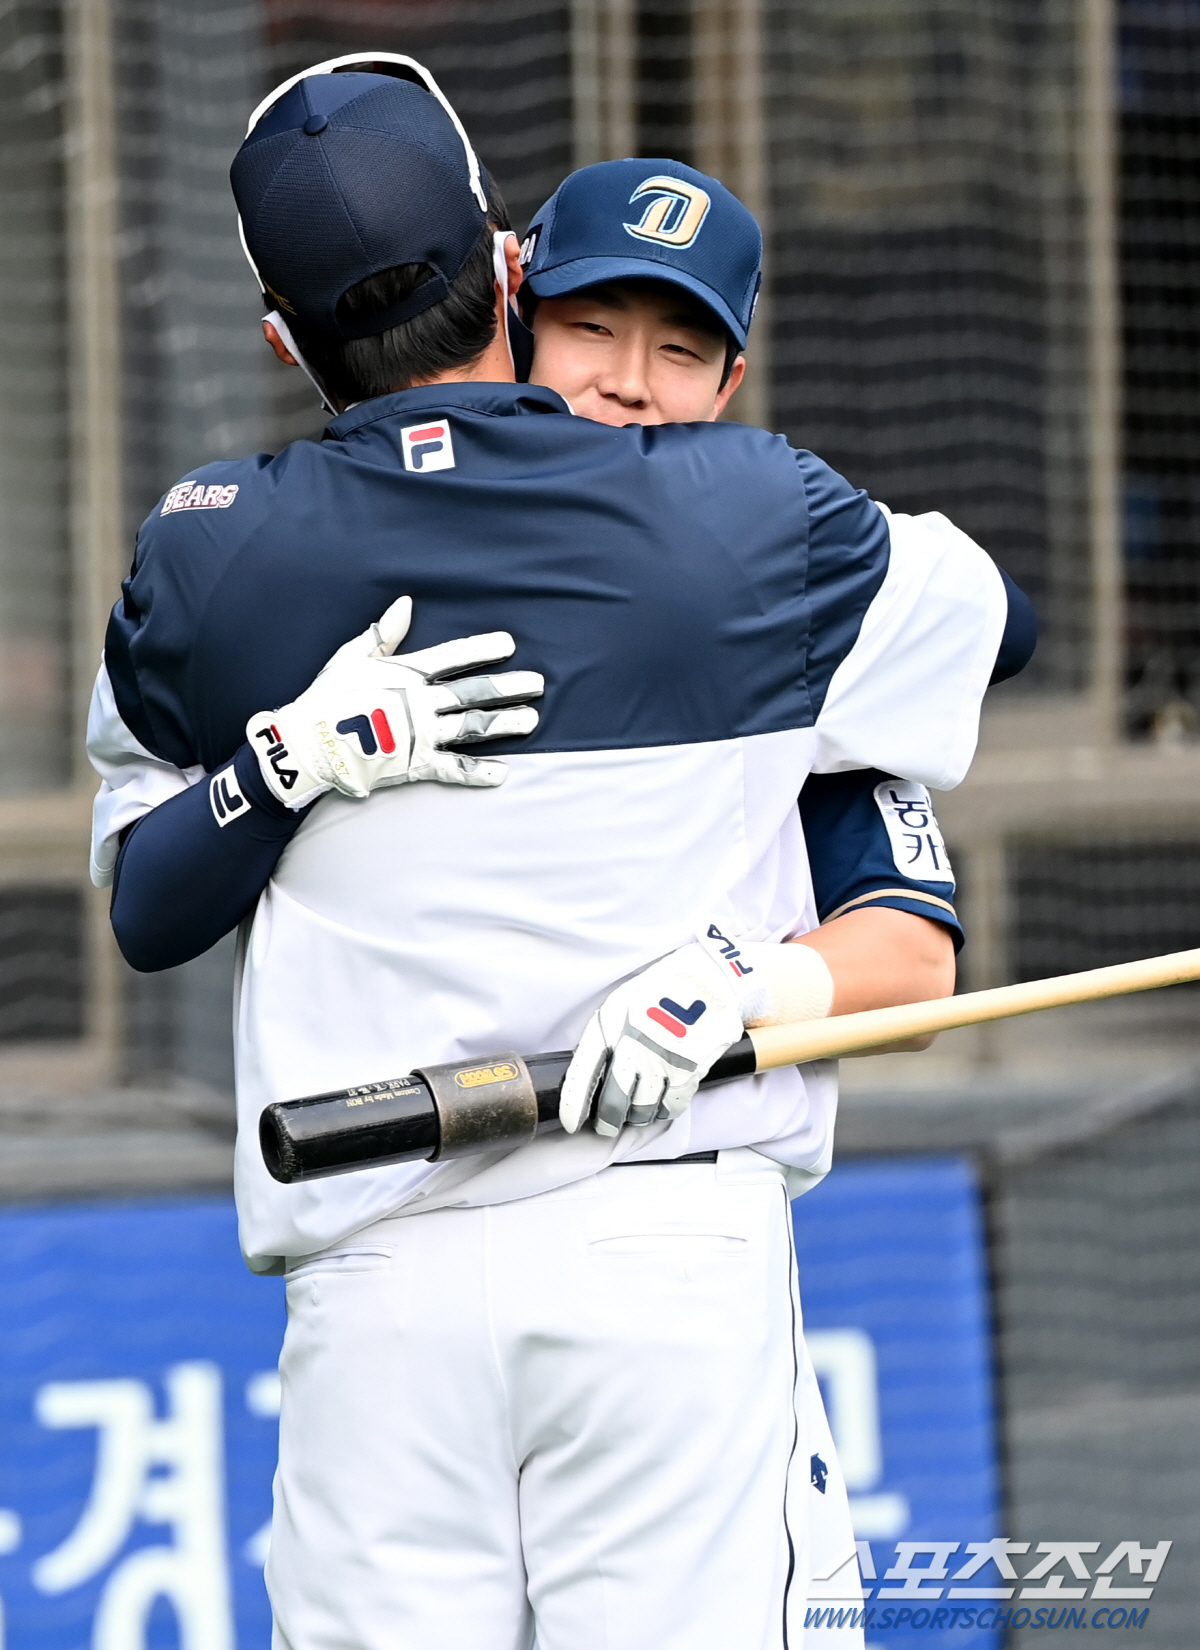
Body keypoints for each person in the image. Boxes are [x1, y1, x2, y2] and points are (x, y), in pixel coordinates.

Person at [88, 57, 1033, 1650]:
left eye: (683, 348)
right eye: (601, 330)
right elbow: (1011, 628)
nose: (634, 381)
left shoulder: (202, 548)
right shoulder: (765, 522)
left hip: (376, 1285)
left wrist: (278, 766)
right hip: (648, 1255)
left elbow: (145, 902)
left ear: (282, 338)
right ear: (509, 267)